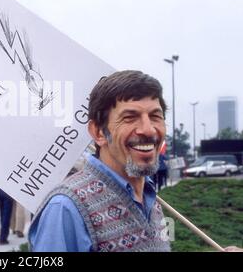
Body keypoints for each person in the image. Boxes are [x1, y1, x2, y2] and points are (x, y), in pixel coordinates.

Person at [29, 70, 171, 252]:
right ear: (98, 132)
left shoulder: (150, 198)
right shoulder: (67, 208)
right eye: (130, 117)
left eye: (155, 116)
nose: (148, 130)